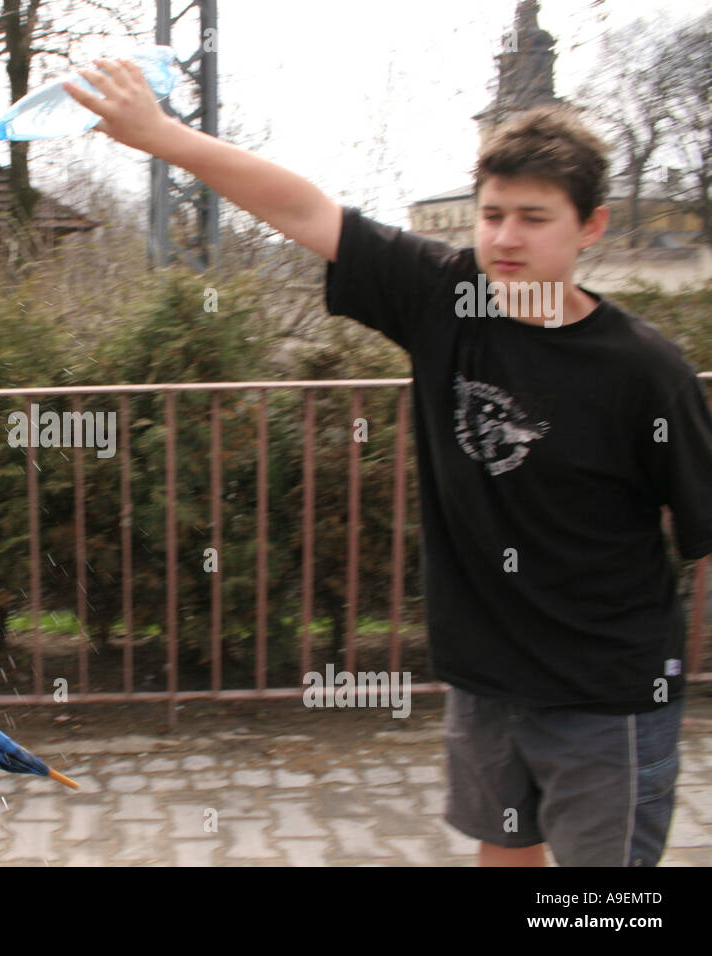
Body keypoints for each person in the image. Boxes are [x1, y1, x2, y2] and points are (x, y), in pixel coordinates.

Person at [66, 61, 712, 866]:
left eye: (535, 218)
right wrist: (165, 138)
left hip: (607, 694)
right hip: (486, 681)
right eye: (493, 214)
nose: (506, 238)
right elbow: (305, 208)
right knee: (502, 854)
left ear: (591, 227)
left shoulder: (646, 372)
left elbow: (703, 529)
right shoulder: (445, 296)